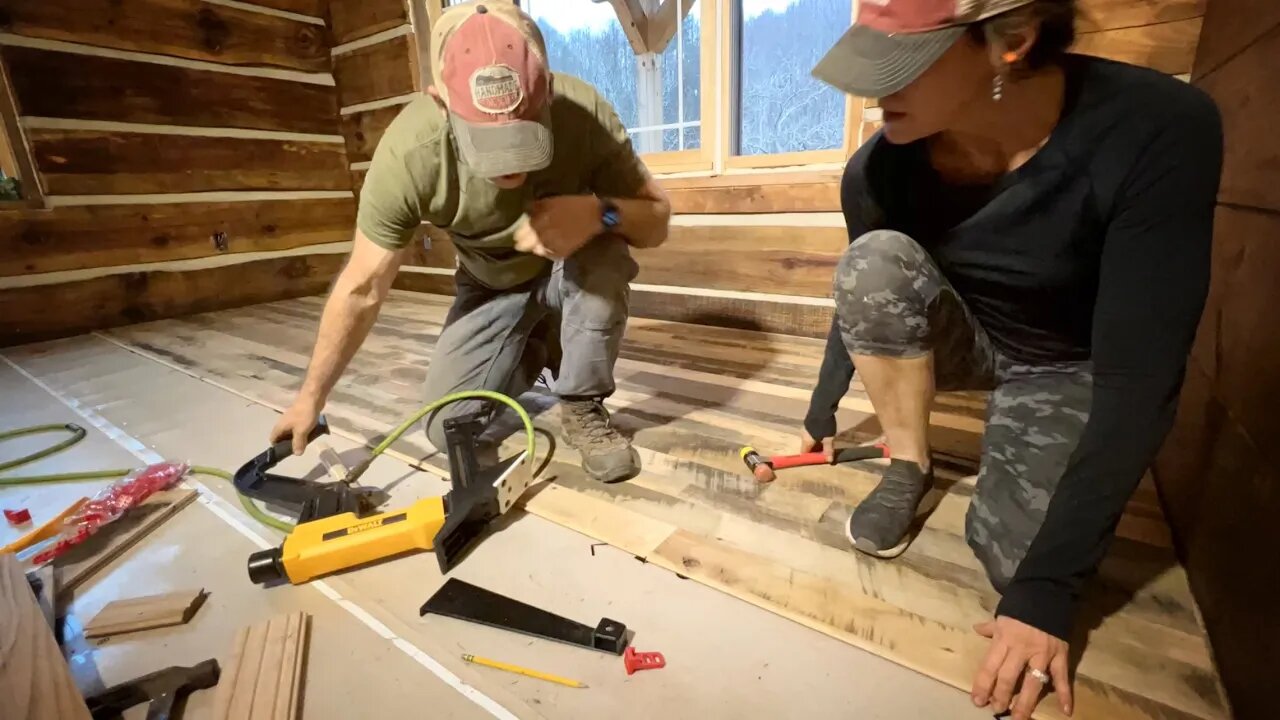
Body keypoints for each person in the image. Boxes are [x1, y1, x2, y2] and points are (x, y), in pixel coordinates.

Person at [808, 0, 1222, 717]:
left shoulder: (1158, 128)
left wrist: (1045, 592)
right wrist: (823, 408)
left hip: (1071, 362)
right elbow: (865, 288)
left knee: (1017, 563)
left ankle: (1019, 460)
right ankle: (909, 461)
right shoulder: (877, 172)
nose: (872, 91)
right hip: (968, 337)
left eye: (902, 66)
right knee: (873, 258)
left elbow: (1141, 378)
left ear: (1013, 40)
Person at [270, 1, 671, 483]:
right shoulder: (410, 153)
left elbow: (657, 220)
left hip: (571, 265)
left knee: (604, 255)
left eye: (524, 135)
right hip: (491, 285)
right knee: (445, 427)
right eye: (488, 142)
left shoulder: (582, 113)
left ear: (546, 89)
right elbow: (363, 286)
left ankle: (582, 404)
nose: (509, 164)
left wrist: (597, 212)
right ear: (440, 102)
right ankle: (539, 346)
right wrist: (310, 397)